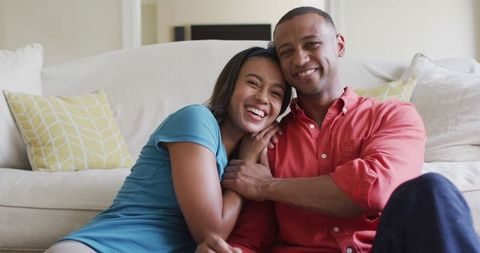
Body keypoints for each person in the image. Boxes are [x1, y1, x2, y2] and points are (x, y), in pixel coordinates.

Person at [196, 6, 480, 253]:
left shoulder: (393, 115)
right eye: (286, 52)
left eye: (311, 44)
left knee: (433, 189)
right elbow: (253, 237)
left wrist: (268, 186)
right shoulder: (268, 140)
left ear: (340, 45)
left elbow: (374, 189)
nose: (299, 60)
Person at [45, 46, 292, 253]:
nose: (262, 98)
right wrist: (245, 173)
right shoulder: (196, 120)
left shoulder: (248, 151)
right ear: (229, 86)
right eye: (252, 83)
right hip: (102, 247)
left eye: (275, 93)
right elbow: (211, 232)